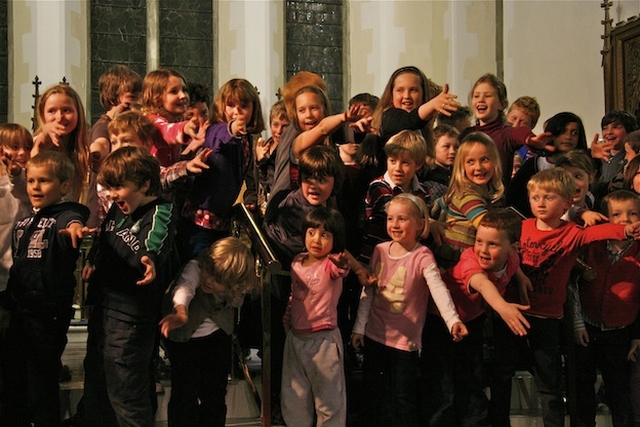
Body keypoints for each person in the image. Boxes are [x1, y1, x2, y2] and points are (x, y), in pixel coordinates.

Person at [490, 167, 640, 427]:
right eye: (536, 197)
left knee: (549, 384)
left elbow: (599, 232)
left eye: (549, 197)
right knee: (501, 375)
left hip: (547, 319)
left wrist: (626, 232)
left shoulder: (572, 233)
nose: (540, 203)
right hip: (514, 312)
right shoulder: (521, 227)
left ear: (566, 203)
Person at [351, 193, 468, 427]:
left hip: (405, 344)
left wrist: (452, 320)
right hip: (375, 336)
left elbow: (438, 288)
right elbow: (369, 292)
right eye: (390, 218)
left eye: (402, 219)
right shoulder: (380, 250)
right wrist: (359, 328)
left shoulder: (422, 255)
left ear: (420, 225)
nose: (394, 225)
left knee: (403, 399)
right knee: (373, 396)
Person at [81, 147, 174, 427]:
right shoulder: (117, 210)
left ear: (145, 184)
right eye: (109, 187)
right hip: (104, 305)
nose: (112, 194)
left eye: (119, 186)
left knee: (126, 391)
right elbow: (104, 238)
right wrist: (93, 260)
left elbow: (154, 240)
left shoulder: (160, 210)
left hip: (130, 316)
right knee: (99, 379)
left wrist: (149, 258)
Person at [0, 151, 89, 426]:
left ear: (63, 186)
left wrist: (75, 228)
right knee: (13, 376)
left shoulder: (65, 214)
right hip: (20, 312)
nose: (36, 187)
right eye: (32, 181)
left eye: (44, 181)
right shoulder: (25, 222)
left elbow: (73, 219)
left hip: (47, 315)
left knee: (41, 380)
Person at [422, 208, 530, 427]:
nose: (483, 249)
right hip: (441, 322)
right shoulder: (470, 260)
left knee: (472, 377)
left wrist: (521, 278)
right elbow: (482, 283)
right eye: (479, 241)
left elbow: (513, 264)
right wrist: (503, 308)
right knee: (442, 383)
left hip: (472, 321)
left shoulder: (513, 259)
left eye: (493, 244)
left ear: (513, 247)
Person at [159, 237, 257, 427]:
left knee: (215, 395)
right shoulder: (196, 267)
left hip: (216, 340)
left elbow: (237, 299)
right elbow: (184, 287)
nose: (209, 280)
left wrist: (226, 291)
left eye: (218, 279)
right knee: (184, 394)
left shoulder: (235, 288)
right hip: (186, 341)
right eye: (209, 272)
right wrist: (181, 311)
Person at [570, 190, 640, 427]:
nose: (625, 219)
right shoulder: (592, 244)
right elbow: (575, 287)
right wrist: (578, 323)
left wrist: (636, 336)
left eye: (632, 214)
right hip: (587, 329)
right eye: (616, 214)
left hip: (620, 331)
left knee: (618, 390)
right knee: (583, 388)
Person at [178, 78, 264, 260]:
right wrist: (233, 128)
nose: (237, 111)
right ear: (222, 106)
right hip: (199, 221)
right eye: (231, 105)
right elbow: (222, 137)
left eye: (243, 105)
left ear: (253, 108)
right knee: (196, 269)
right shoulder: (215, 129)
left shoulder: (248, 137)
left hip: (221, 221)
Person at [280, 207, 351, 426]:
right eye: (311, 232)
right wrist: (288, 318)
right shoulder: (297, 261)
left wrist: (343, 264)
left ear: (335, 239)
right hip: (296, 339)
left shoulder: (330, 265)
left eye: (325, 234)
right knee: (294, 399)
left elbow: (341, 269)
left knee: (329, 402)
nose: (316, 239)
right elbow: (295, 295)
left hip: (324, 342)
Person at [361, 66, 460, 182]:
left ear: (423, 94)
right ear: (391, 95)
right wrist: (432, 105)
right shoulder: (388, 118)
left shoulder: (422, 129)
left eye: (413, 90)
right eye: (400, 90)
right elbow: (409, 120)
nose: (407, 96)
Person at [460, 73, 553, 186]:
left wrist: (530, 139)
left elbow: (519, 133)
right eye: (476, 96)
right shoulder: (466, 134)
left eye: (487, 95)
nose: (481, 100)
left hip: (495, 200)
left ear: (502, 104)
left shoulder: (506, 133)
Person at [433, 131, 504, 269]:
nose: (478, 167)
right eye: (471, 161)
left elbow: (441, 203)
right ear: (462, 167)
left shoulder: (489, 193)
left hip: (470, 256)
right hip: (452, 259)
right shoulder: (466, 194)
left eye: (485, 159)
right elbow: (486, 225)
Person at [362, 129, 433, 262]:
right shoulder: (378, 186)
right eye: (393, 161)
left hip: (407, 260)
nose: (398, 168)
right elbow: (394, 209)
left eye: (405, 163)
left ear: (418, 165)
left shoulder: (423, 191)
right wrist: (430, 222)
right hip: (375, 258)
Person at [507, 112, 588, 218]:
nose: (568, 137)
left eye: (574, 133)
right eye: (563, 132)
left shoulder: (585, 164)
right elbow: (513, 199)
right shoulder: (534, 165)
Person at [31, 83, 91, 206]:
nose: (60, 117)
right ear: (43, 115)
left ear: (78, 113)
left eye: (66, 110)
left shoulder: (88, 147)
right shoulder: (32, 144)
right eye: (52, 111)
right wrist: (39, 146)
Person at [141, 68, 201, 167]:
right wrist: (185, 128)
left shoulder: (176, 120)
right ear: (156, 98)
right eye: (174, 91)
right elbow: (166, 131)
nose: (182, 95)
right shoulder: (151, 120)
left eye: (184, 90)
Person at [89, 64, 142, 167]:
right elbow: (101, 144)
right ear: (112, 98)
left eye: (140, 97)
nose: (139, 102)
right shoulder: (104, 126)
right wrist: (96, 153)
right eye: (132, 97)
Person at [255, 100, 289, 212]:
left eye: (285, 126)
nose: (279, 131)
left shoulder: (290, 151)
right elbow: (258, 181)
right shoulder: (264, 146)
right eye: (275, 125)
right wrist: (259, 161)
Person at [591, 110, 638, 188]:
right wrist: (592, 157)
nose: (609, 132)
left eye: (615, 127)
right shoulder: (597, 157)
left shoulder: (632, 157)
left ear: (629, 131)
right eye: (605, 128)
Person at [422, 123, 459, 190]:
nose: (452, 151)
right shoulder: (430, 177)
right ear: (433, 147)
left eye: (456, 147)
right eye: (446, 146)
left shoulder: (457, 174)